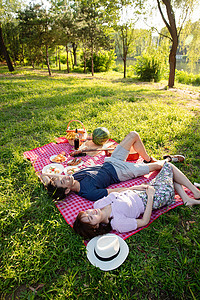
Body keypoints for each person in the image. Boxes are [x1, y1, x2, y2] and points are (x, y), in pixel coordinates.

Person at [41, 131, 184, 201]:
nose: (64, 176)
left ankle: (147, 159)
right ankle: (170, 160)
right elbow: (115, 192)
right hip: (120, 172)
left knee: (133, 135)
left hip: (110, 161)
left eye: (61, 177)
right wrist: (137, 188)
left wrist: (50, 183)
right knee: (157, 167)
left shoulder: (72, 177)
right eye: (62, 180)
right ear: (67, 191)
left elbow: (45, 175)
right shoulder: (88, 193)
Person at [73, 161, 200, 240]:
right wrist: (150, 195)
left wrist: (138, 187)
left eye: (87, 213)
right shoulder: (117, 223)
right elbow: (144, 221)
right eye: (90, 218)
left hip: (142, 190)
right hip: (156, 198)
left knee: (169, 176)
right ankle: (194, 192)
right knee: (168, 167)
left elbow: (120, 192)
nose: (91, 213)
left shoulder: (98, 204)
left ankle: (187, 199)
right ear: (95, 227)